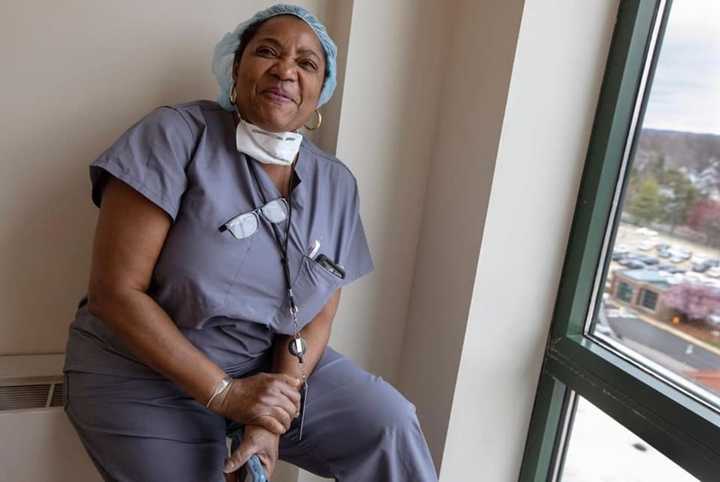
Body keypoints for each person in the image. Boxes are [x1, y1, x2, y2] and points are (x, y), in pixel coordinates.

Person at [62, 4, 438, 481]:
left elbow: (316, 313)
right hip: (142, 370)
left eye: (307, 63)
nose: (285, 70)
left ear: (321, 92)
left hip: (266, 366)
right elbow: (116, 294)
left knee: (388, 424)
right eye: (267, 52)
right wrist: (227, 395)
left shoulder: (335, 184)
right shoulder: (174, 137)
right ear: (236, 69)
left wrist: (273, 410)